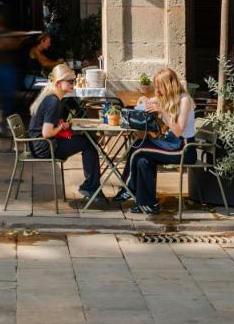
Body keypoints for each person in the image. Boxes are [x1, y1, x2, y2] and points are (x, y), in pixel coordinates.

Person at [116, 68, 196, 215]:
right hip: (171, 143)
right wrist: (144, 100)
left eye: (159, 86)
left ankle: (127, 188)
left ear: (168, 85)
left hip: (183, 147)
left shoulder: (184, 100)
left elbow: (178, 131)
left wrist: (162, 112)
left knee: (139, 148)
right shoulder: (167, 97)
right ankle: (147, 205)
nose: (157, 90)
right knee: (142, 159)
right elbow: (143, 101)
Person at [27, 63, 100, 204]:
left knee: (86, 140)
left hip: (38, 144)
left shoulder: (50, 97)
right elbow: (47, 133)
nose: (73, 84)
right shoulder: (53, 102)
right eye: (70, 81)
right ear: (59, 83)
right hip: (45, 147)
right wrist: (60, 128)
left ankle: (91, 186)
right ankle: (91, 188)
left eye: (73, 80)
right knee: (88, 143)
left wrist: (61, 126)